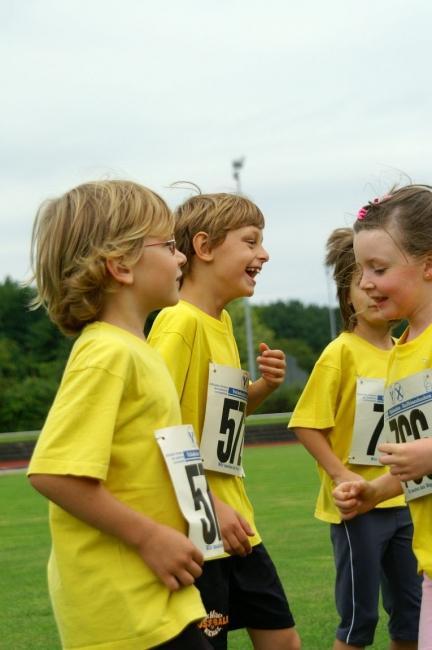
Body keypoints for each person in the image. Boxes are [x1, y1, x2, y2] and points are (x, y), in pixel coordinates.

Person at [26, 180, 215, 650]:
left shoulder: (137, 350)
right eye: (169, 245)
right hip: (124, 608)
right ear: (120, 266)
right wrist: (151, 538)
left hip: (161, 596)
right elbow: (55, 473)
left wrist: (209, 508)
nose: (182, 258)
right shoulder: (106, 355)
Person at [148, 191, 300, 650]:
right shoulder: (179, 323)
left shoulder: (223, 323)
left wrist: (258, 392)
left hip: (237, 521)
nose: (264, 254)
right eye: (251, 242)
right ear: (205, 247)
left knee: (283, 641)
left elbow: (216, 431)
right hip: (198, 525)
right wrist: (209, 500)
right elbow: (155, 424)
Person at [289, 227, 421, 650]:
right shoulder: (340, 353)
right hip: (358, 507)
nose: (371, 292)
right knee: (358, 619)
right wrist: (341, 474)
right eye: (359, 284)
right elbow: (306, 423)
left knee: (411, 616)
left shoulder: (407, 349)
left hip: (407, 498)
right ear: (347, 295)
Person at [332, 184, 432, 650]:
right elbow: (418, 466)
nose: (366, 282)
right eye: (361, 269)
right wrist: (375, 491)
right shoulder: (400, 355)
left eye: (379, 268)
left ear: (429, 265)